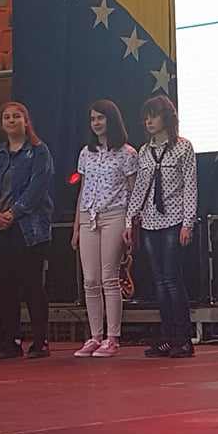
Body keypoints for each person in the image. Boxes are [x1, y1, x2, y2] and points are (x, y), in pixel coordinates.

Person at [124, 95, 198, 358]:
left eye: (154, 116)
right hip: (149, 222)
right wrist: (129, 220)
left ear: (167, 117)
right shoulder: (144, 151)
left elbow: (190, 186)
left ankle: (183, 338)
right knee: (159, 281)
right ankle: (167, 337)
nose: (149, 121)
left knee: (172, 279)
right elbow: (139, 189)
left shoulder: (183, 147)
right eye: (146, 117)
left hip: (174, 220)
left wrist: (188, 223)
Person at [0, 101, 54, 359]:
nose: (11, 121)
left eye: (16, 116)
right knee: (5, 286)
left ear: (26, 121)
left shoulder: (38, 151)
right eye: (7, 117)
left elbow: (37, 187)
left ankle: (40, 341)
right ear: (2, 124)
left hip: (28, 227)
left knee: (32, 284)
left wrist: (14, 212)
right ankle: (11, 341)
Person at [71, 100, 138, 357]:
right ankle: (95, 335)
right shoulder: (86, 153)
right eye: (93, 119)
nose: (97, 123)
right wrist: (77, 226)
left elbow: (133, 192)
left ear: (112, 119)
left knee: (109, 278)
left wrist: (130, 224)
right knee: (90, 280)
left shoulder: (127, 153)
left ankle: (112, 337)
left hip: (114, 215)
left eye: (101, 118)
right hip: (88, 216)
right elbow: (83, 190)